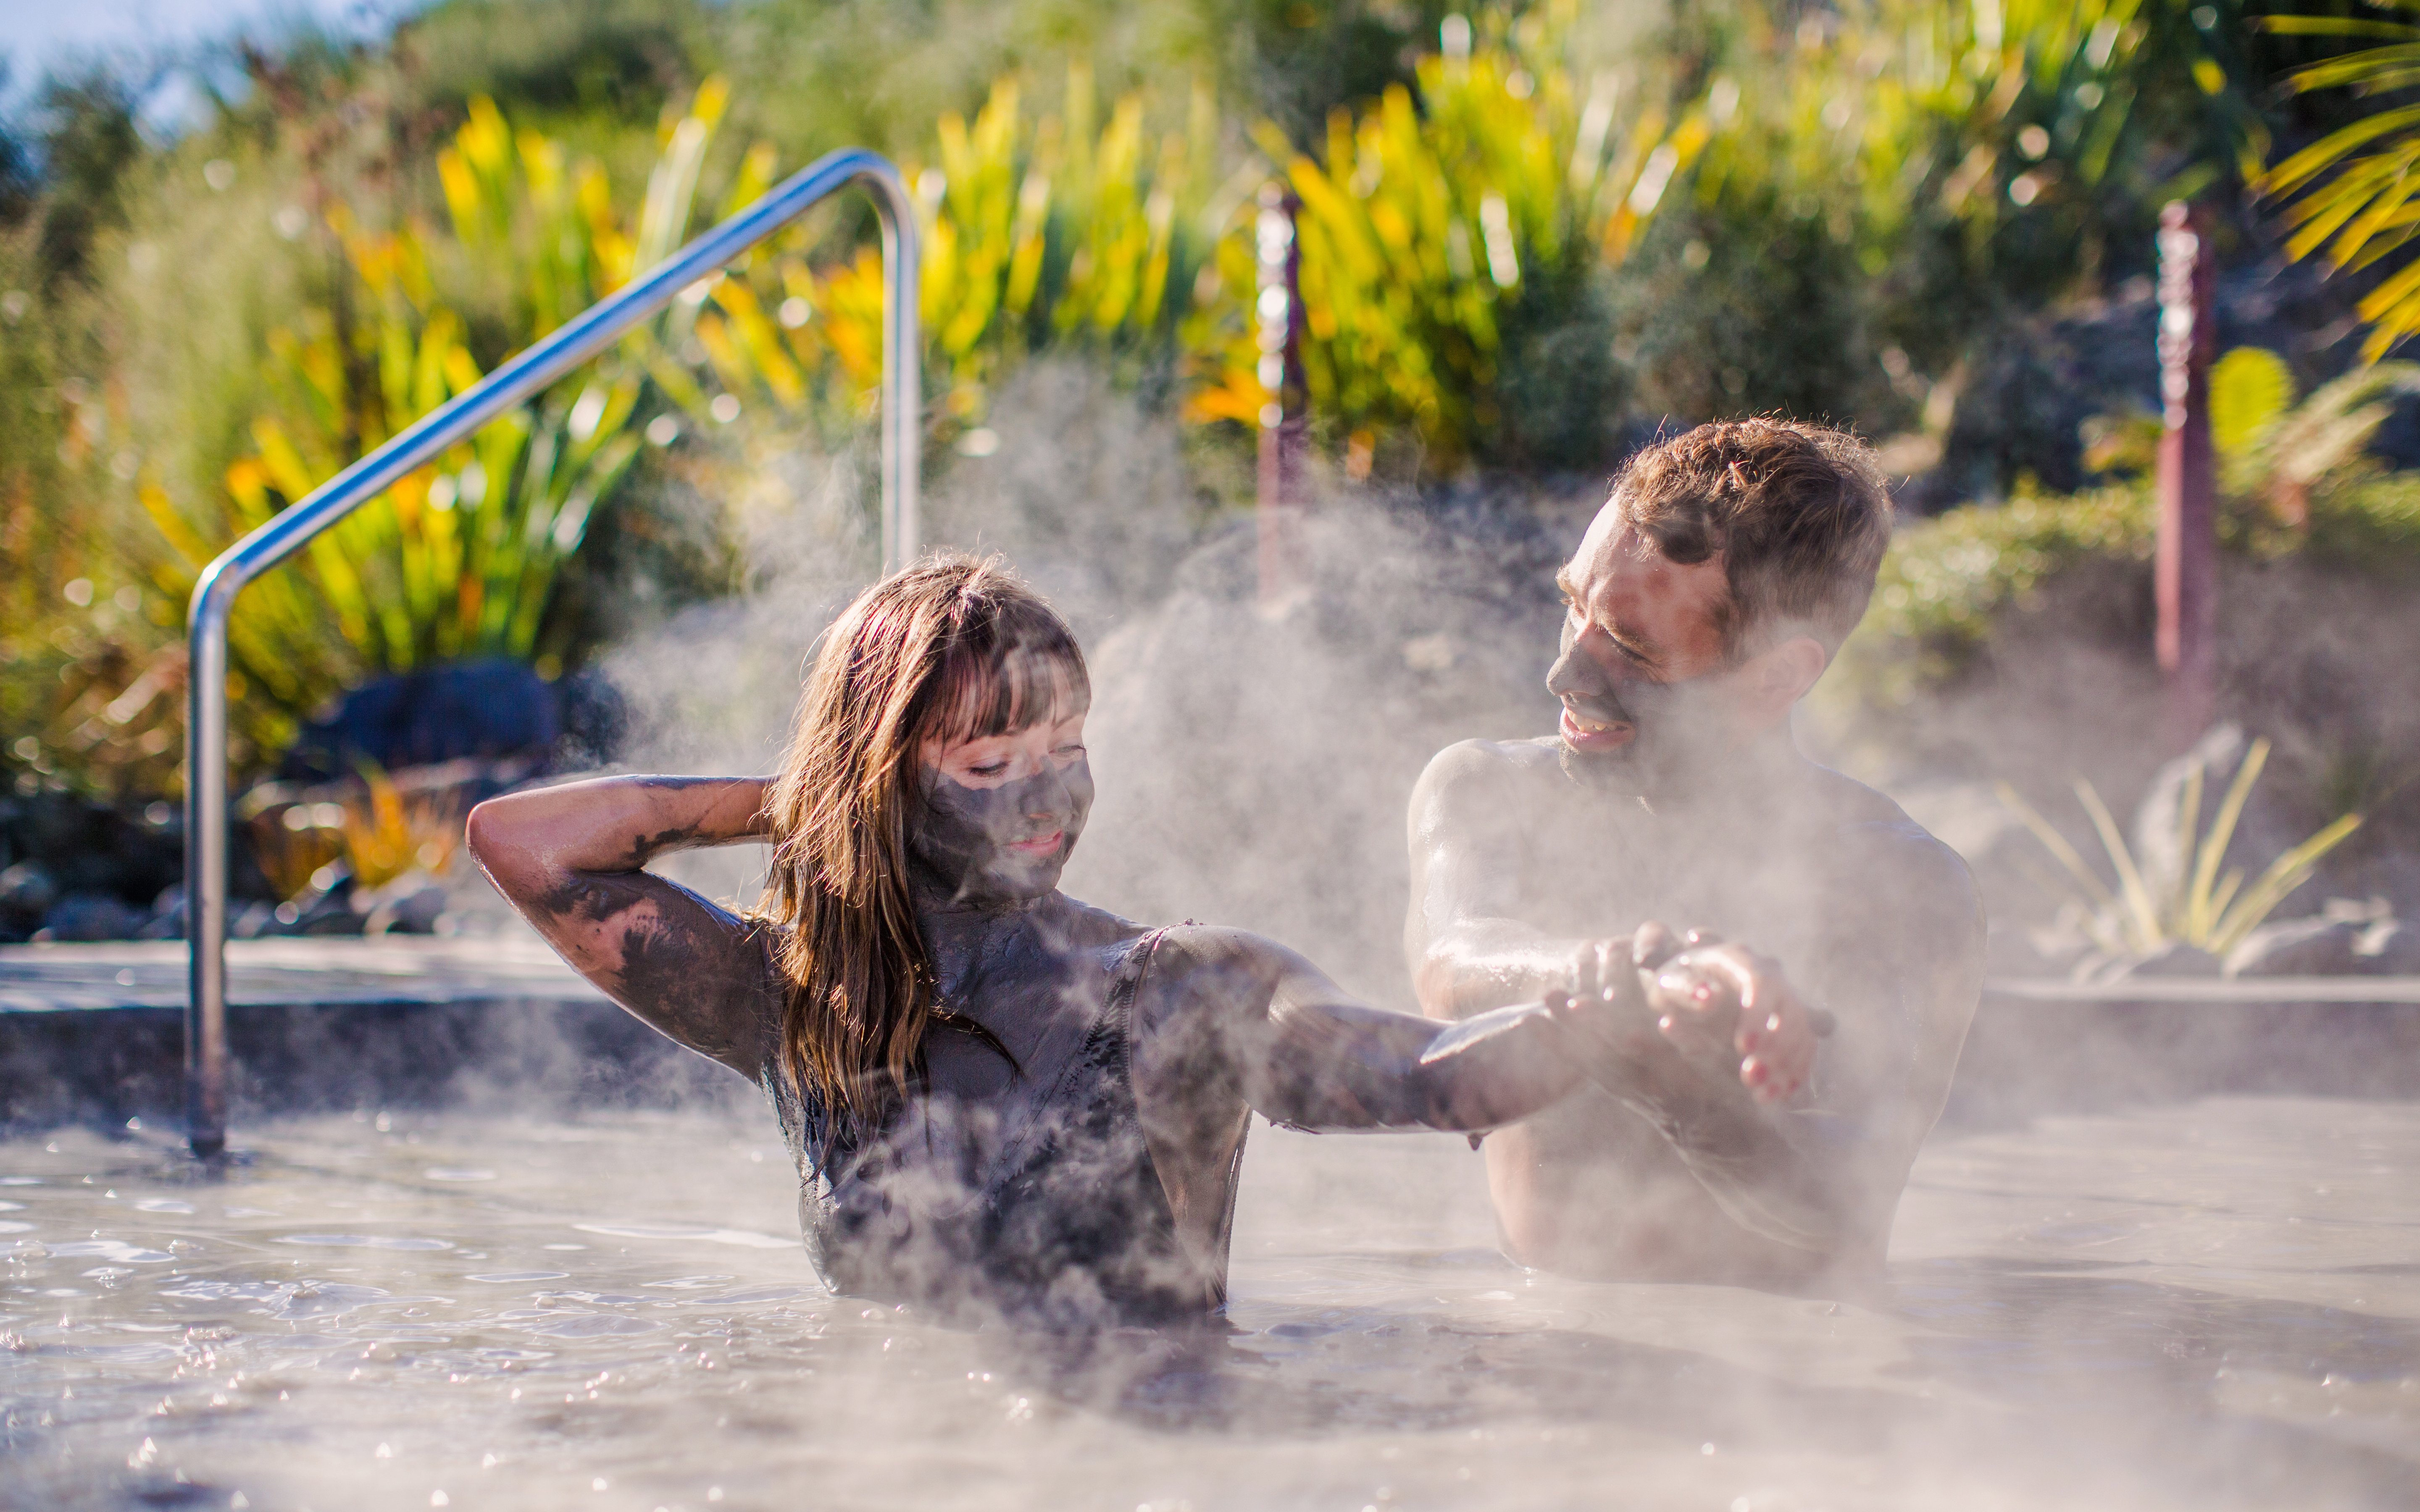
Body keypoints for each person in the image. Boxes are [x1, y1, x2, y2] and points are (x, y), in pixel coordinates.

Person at [470, 554, 1622, 1328]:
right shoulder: (797, 1005)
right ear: (878, 779)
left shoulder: (1173, 988)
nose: (1050, 799)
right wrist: (812, 796)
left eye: (1069, 746)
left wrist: (1611, 1020)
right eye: (990, 764)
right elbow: (527, 844)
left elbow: (1420, 1075)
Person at [1405, 419, 1986, 1292]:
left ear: (1782, 676)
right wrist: (1634, 982)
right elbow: (1457, 960)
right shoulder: (1487, 791)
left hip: (1798, 1382)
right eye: (1575, 607)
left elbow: (1841, 1207)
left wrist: (1689, 1096)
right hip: (1538, 1342)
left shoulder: (1897, 883)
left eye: (1634, 649)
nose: (1567, 675)